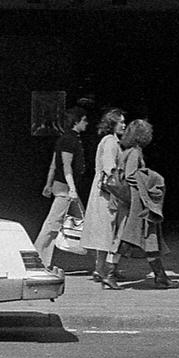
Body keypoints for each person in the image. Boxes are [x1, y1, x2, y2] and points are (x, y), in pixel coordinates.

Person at [112, 119, 171, 289]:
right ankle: (109, 274)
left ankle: (161, 277)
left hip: (136, 203)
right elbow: (131, 175)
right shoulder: (135, 153)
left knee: (142, 239)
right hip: (139, 204)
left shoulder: (128, 151)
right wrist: (151, 176)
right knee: (140, 237)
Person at [36, 106, 88, 273]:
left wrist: (48, 183)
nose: (86, 123)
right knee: (52, 225)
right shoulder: (68, 140)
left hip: (64, 187)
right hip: (66, 189)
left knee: (82, 220)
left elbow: (53, 163)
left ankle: (100, 263)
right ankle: (38, 260)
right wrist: (71, 189)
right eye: (84, 120)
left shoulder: (68, 139)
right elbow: (66, 166)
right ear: (76, 122)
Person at [85, 108, 127, 286]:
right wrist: (118, 192)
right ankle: (103, 271)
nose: (124, 125)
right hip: (107, 193)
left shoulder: (110, 141)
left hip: (103, 191)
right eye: (121, 122)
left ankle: (99, 268)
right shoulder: (110, 142)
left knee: (104, 231)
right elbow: (110, 169)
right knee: (107, 231)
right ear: (112, 124)